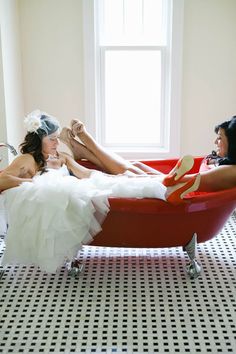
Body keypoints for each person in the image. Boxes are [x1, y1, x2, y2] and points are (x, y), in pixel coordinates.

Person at [0, 110, 199, 273]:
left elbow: (86, 173)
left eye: (56, 139)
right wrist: (33, 184)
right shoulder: (27, 160)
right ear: (39, 139)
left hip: (80, 186)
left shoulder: (60, 157)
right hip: (69, 193)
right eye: (52, 139)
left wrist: (110, 178)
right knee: (115, 190)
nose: (56, 143)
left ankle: (164, 185)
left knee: (120, 183)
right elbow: (3, 179)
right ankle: (165, 188)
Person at [60, 115, 236, 193]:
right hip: (179, 188)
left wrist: (138, 179)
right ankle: (85, 151)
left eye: (220, 138)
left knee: (127, 173)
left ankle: (85, 148)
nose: (215, 142)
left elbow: (186, 182)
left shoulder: (231, 171)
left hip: (182, 197)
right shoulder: (227, 163)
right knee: (135, 166)